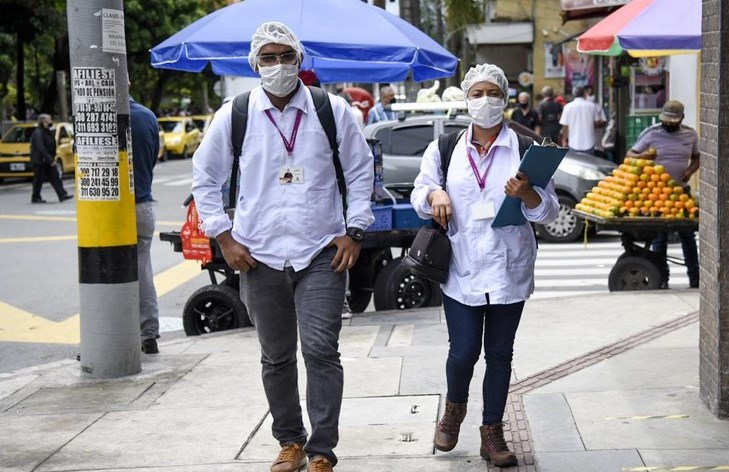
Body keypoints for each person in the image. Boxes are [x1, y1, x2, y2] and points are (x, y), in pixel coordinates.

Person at [191, 22, 374, 472]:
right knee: (276, 357)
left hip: (321, 251)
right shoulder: (235, 115)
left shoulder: (330, 110)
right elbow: (205, 178)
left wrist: (355, 230)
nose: (278, 65)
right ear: (255, 64)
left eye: (286, 56)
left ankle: (322, 449)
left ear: (299, 59)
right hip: (258, 254)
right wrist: (224, 237)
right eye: (268, 58)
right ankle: (290, 442)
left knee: (321, 350)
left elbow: (360, 171)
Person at [410, 64, 560, 468]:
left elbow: (549, 211)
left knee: (499, 354)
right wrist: (435, 195)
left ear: (505, 99)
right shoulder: (445, 148)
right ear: (466, 99)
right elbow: (419, 192)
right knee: (462, 352)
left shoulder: (527, 148)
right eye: (477, 93)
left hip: (509, 266)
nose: (485, 100)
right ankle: (454, 409)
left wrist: (528, 194)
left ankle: (492, 431)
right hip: (461, 265)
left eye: (493, 93)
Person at [626, 100, 700, 288]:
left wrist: (690, 171)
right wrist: (644, 156)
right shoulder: (652, 133)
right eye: (666, 120)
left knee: (687, 236)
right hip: (656, 194)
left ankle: (695, 278)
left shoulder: (691, 134)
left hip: (681, 193)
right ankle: (662, 278)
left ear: (681, 119)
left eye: (672, 121)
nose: (668, 123)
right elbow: (630, 155)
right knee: (659, 237)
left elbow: (697, 157)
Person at [129, 94, 161, 354]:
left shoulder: (94, 118)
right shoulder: (147, 116)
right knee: (142, 270)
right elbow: (152, 159)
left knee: (103, 271)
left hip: (107, 210)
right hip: (142, 204)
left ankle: (104, 337)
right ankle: (148, 333)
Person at [30, 114, 71, 203]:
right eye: (49, 120)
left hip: (47, 160)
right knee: (38, 180)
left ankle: (62, 194)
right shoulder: (38, 133)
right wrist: (50, 159)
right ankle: (35, 197)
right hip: (40, 161)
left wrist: (52, 157)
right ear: (43, 121)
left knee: (55, 177)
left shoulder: (46, 131)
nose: (50, 121)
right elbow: (41, 148)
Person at [559, 86, 607, 154]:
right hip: (589, 142)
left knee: (575, 160)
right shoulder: (592, 106)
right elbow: (597, 122)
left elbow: (565, 126)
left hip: (574, 143)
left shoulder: (568, 107)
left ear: (573, 94)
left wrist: (564, 141)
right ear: (584, 93)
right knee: (588, 160)